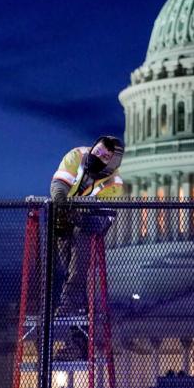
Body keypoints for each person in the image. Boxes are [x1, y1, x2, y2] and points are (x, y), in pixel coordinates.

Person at [48, 135, 124, 356]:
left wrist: (76, 216)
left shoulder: (114, 184)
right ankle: (77, 342)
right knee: (68, 273)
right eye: (97, 151)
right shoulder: (77, 156)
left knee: (78, 270)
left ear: (112, 163)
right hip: (64, 219)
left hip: (89, 226)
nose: (97, 156)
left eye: (104, 156)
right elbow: (58, 185)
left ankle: (69, 308)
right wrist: (62, 206)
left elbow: (99, 221)